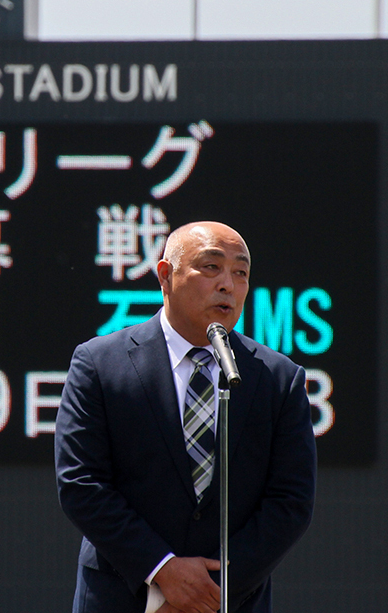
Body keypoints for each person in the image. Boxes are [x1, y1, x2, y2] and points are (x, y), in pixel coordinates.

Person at [55, 221, 316, 613]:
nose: (227, 284)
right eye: (210, 267)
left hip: (229, 601)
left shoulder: (277, 378)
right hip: (120, 599)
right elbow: (81, 483)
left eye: (240, 273)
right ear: (165, 276)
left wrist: (209, 589)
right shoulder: (100, 364)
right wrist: (162, 572)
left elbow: (290, 501)